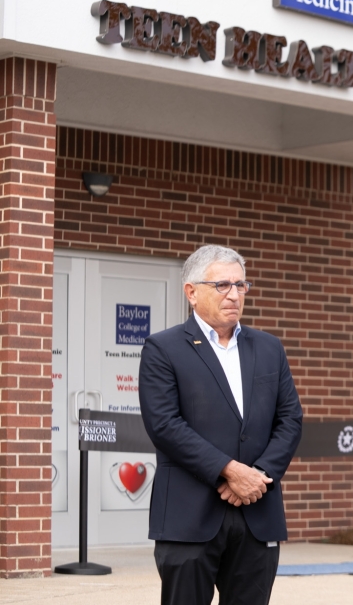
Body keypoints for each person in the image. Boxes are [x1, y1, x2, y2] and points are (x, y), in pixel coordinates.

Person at [139, 245, 303, 605]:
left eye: (240, 285)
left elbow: (290, 418)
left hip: (257, 514)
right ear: (191, 292)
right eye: (222, 285)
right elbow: (164, 425)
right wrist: (229, 472)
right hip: (189, 517)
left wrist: (257, 476)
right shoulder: (163, 348)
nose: (234, 294)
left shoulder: (269, 348)